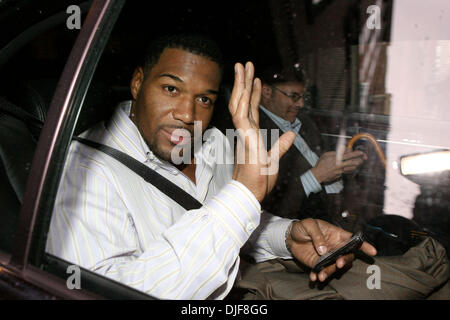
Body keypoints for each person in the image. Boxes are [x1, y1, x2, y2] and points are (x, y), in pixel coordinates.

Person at [45, 33, 378, 300]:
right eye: (171, 89)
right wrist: (245, 193)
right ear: (137, 83)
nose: (188, 114)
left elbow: (230, 222)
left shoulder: (214, 142)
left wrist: (288, 236)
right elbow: (106, 291)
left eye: (204, 99)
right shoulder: (83, 169)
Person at [257, 65, 367, 228]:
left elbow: (326, 158)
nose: (300, 103)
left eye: (303, 97)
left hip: (344, 211)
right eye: (294, 96)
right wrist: (315, 177)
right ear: (266, 92)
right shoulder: (254, 134)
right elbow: (269, 210)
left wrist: (344, 163)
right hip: (306, 226)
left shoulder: (305, 122)